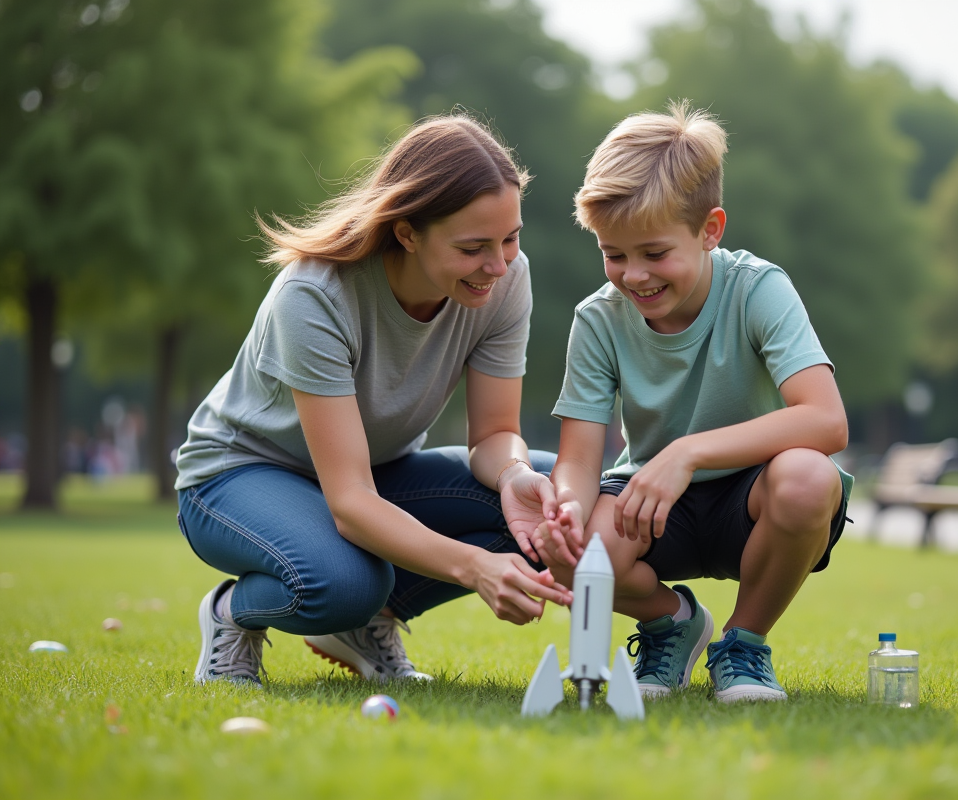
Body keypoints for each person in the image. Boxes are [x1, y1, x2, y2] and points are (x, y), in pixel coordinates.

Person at [175, 114, 572, 688]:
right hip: (238, 476)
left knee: (552, 500)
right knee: (343, 585)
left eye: (510, 238)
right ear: (407, 232)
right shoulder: (313, 294)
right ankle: (233, 613)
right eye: (473, 247)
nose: (498, 264)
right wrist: (474, 566)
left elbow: (492, 435)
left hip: (373, 472)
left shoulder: (506, 279)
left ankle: (367, 623)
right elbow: (352, 501)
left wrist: (512, 476)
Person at [532, 102, 853, 703]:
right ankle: (672, 624)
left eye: (654, 254)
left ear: (710, 229)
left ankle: (742, 645)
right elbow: (578, 457)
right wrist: (567, 511)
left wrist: (688, 453)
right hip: (649, 502)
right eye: (614, 253)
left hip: (754, 496)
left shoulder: (759, 288)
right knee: (577, 553)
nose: (634, 276)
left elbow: (825, 420)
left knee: (809, 477)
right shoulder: (597, 319)